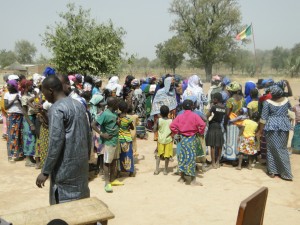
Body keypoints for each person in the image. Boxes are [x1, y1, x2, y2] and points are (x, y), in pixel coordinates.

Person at [36, 76, 91, 205]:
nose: (44, 96)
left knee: (64, 205)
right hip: (81, 164)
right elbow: (88, 133)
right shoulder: (79, 105)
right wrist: (86, 157)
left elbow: (56, 141)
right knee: (80, 202)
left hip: (64, 167)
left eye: (44, 92)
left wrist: (45, 171)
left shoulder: (56, 109)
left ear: (50, 90)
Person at [257, 85, 293, 181]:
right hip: (284, 126)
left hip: (271, 127)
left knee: (271, 149)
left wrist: (260, 131)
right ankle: (286, 172)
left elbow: (263, 118)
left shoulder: (267, 103)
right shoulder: (286, 101)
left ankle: (273, 171)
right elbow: (290, 110)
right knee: (282, 149)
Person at [170, 100, 206, 186]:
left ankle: (182, 178)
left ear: (183, 107)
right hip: (191, 139)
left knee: (182, 157)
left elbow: (172, 126)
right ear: (192, 106)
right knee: (191, 158)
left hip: (182, 139)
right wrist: (200, 132)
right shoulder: (195, 116)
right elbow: (203, 125)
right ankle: (193, 180)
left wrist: (177, 132)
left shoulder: (180, 116)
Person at [94, 97, 120, 193]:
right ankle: (106, 182)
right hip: (108, 142)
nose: (118, 105)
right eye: (117, 103)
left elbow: (114, 125)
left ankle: (112, 179)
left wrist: (118, 123)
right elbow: (93, 124)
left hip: (115, 140)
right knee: (107, 162)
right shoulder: (105, 114)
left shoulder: (114, 113)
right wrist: (102, 134)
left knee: (114, 160)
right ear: (113, 105)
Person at [224, 81, 245, 161]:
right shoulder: (243, 99)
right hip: (241, 122)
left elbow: (227, 113)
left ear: (231, 91)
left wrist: (225, 123)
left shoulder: (230, 100)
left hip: (232, 123)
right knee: (239, 140)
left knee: (231, 140)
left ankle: (232, 158)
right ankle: (239, 157)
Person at [4, 79, 24, 161]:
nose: (7, 87)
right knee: (11, 135)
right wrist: (14, 100)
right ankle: (11, 155)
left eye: (9, 85)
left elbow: (22, 105)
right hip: (11, 115)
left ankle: (20, 154)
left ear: (13, 86)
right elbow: (6, 107)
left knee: (19, 134)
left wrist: (18, 99)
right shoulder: (7, 95)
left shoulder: (19, 94)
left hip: (20, 115)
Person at [206, 93, 226, 169]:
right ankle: (218, 162)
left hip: (212, 126)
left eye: (214, 98)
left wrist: (208, 120)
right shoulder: (224, 107)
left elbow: (207, 115)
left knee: (212, 145)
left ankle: (213, 162)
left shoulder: (214, 107)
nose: (213, 100)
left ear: (217, 99)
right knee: (219, 145)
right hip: (219, 126)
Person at [20, 79, 37, 167]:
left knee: (32, 138)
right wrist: (31, 124)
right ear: (26, 87)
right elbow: (25, 112)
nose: (31, 87)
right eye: (30, 86)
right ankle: (28, 160)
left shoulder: (30, 95)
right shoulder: (24, 97)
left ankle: (31, 158)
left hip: (32, 117)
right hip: (28, 119)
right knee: (28, 138)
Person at [153, 105, 173, 175]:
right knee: (167, 156)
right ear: (168, 113)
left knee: (158, 155)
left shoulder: (159, 120)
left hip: (160, 140)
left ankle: (157, 169)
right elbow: (173, 130)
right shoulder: (171, 121)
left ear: (160, 113)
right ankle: (165, 170)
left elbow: (154, 129)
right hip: (168, 140)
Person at [118, 100, 135, 176]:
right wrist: (128, 126)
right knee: (129, 154)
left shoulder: (117, 118)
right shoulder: (128, 119)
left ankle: (120, 171)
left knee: (120, 155)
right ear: (126, 109)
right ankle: (131, 171)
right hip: (127, 138)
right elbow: (132, 128)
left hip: (120, 138)